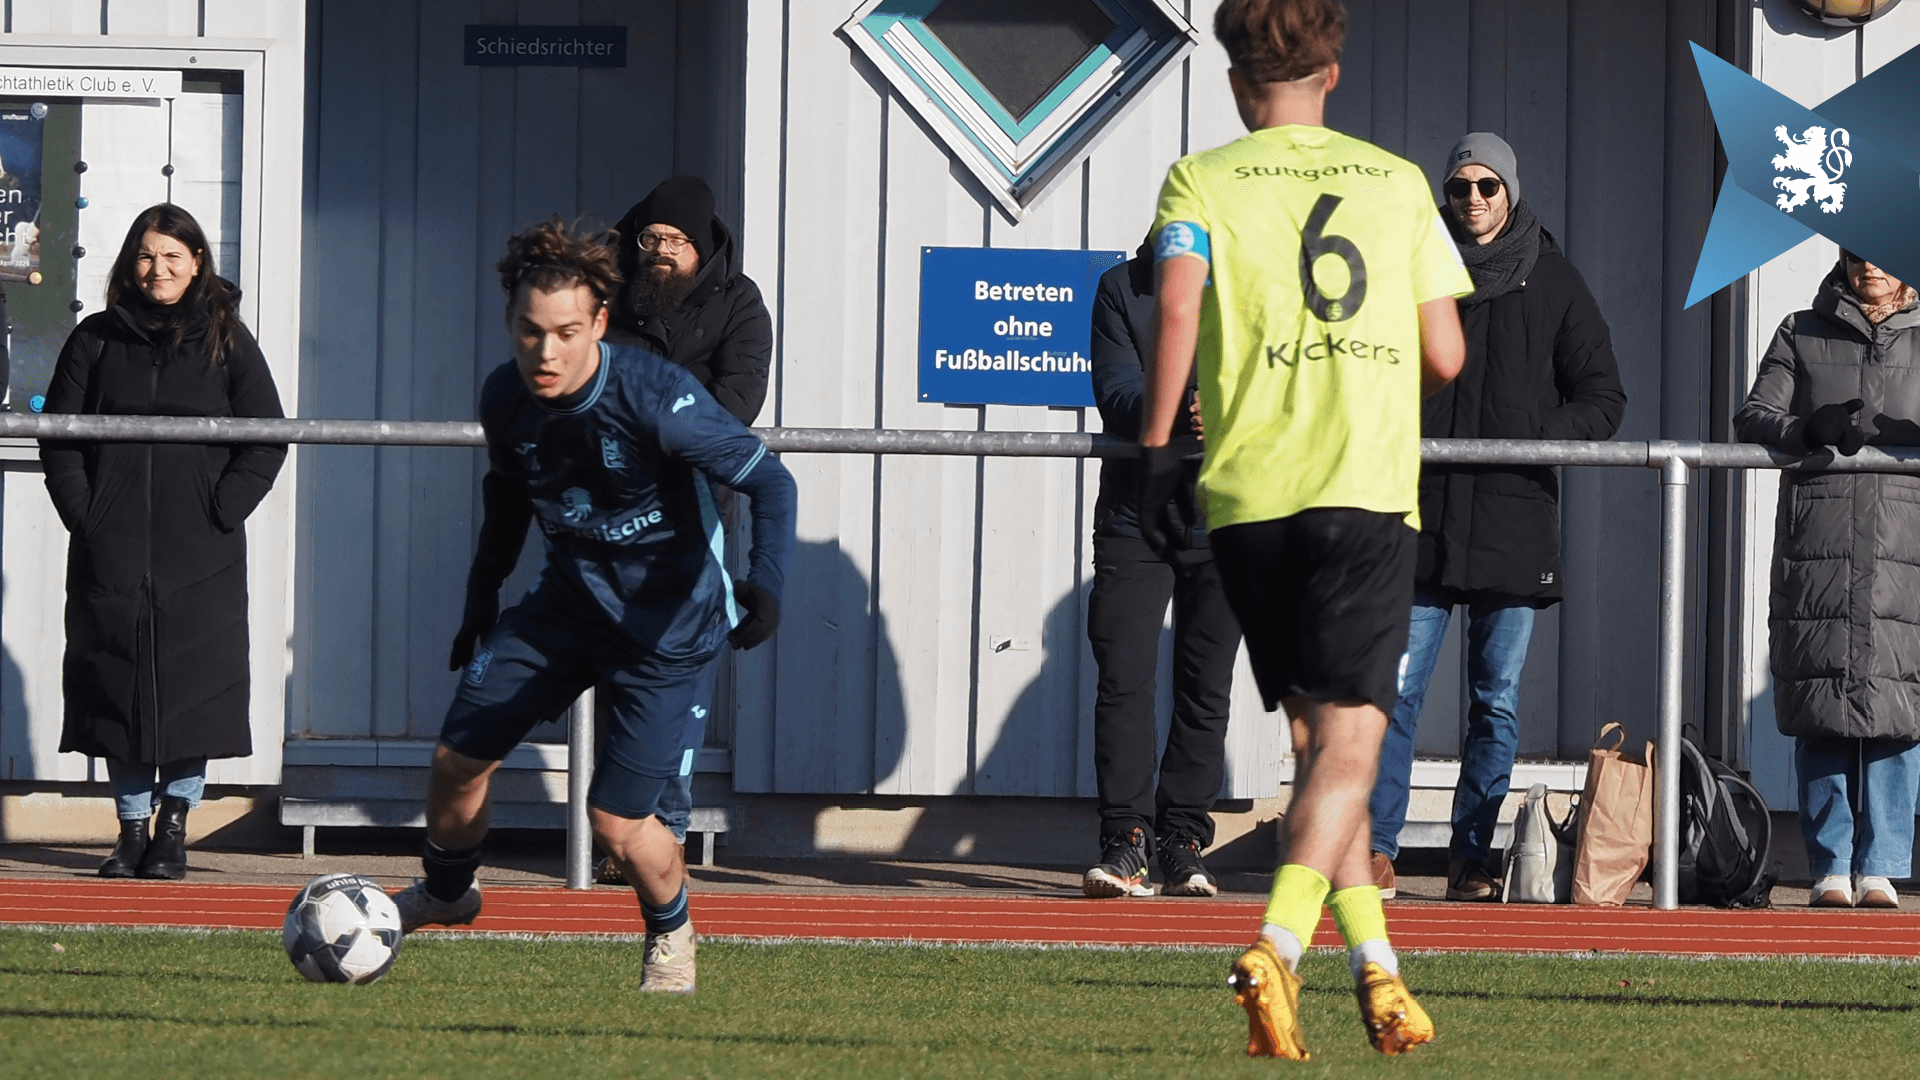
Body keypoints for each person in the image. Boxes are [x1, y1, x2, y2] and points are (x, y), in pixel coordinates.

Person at [1138, 0, 1469, 1057]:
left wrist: (1156, 454)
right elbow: (1448, 353)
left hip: (1246, 496)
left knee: (1320, 749)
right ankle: (1276, 949)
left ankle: (1381, 978)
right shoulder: (1398, 182)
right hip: (1360, 488)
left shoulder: (1199, 179)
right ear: (1335, 75)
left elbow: (1177, 310)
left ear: (1238, 84)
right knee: (1357, 744)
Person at [393, 219, 796, 994]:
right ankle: (448, 892)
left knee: (615, 823)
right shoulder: (505, 397)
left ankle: (671, 935)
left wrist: (766, 584)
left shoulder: (657, 397)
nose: (546, 352)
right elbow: (507, 497)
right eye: (529, 332)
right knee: (455, 763)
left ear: (600, 325)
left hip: (667, 631)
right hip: (566, 609)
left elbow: (770, 481)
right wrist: (483, 596)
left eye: (566, 333)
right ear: (510, 324)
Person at [1367, 132, 1626, 902]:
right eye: (1459, 187)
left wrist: (1532, 434)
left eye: (1487, 186)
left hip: (1514, 525)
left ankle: (1473, 859)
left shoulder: (1555, 282)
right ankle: (1376, 851)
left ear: (1511, 191)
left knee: (1495, 701)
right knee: (1395, 694)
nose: (1473, 200)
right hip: (1419, 523)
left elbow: (1604, 400)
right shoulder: (1411, 272)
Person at [38, 203, 286, 880]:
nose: (159, 270)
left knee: (192, 686)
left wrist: (222, 507)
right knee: (114, 680)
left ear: (198, 263)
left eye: (174, 257)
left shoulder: (226, 339)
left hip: (197, 546)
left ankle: (174, 827)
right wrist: (84, 513)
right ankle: (129, 829)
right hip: (109, 543)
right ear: (129, 263)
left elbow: (268, 431)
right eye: (147, 256)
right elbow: (58, 436)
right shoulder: (95, 339)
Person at [1734, 250, 1920, 910]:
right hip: (1820, 549)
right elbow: (1753, 415)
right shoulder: (1800, 329)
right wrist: (1802, 429)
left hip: (1907, 549)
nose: (1869, 264)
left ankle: (1884, 865)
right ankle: (1831, 863)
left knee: (1901, 707)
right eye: (1854, 252)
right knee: (1823, 706)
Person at [600, 175, 774, 875]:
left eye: (675, 241)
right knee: (615, 669)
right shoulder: (610, 296)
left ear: (702, 248)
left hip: (698, 508)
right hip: (610, 509)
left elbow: (740, 399)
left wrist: (658, 425)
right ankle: (621, 832)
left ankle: (665, 827)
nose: (661, 252)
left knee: (680, 670)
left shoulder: (740, 303)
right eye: (651, 239)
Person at [1082, 237, 1242, 899]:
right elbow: (1116, 391)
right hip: (1135, 515)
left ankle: (1184, 839)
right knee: (1123, 680)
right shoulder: (1123, 287)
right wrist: (1182, 408)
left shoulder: (1250, 284)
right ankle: (1127, 840)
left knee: (1205, 688)